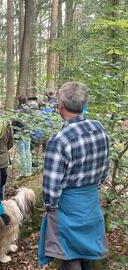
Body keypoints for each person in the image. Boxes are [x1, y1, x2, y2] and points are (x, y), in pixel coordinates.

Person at [38, 82, 110, 270]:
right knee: (87, 257)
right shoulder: (99, 129)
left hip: (67, 209)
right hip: (91, 204)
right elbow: (104, 170)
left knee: (70, 260)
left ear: (60, 104)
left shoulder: (59, 140)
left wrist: (51, 207)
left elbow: (50, 189)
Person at [12, 95, 32, 177]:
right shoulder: (29, 109)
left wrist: (14, 133)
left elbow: (14, 123)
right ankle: (29, 170)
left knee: (23, 152)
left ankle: (25, 172)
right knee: (28, 151)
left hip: (20, 134)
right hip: (27, 133)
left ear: (19, 100)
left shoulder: (18, 110)